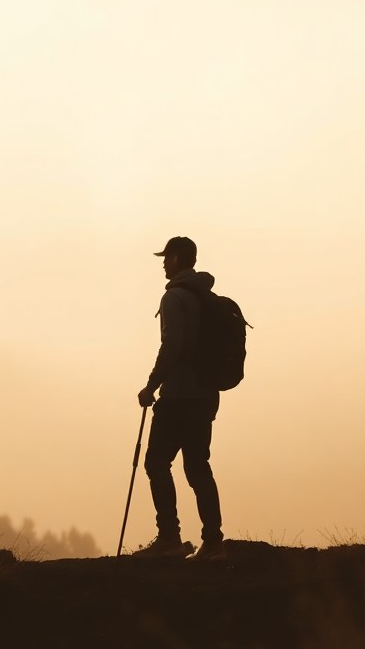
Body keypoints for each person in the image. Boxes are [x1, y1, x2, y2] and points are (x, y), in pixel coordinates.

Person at [134, 236, 225, 560]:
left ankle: (169, 538)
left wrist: (151, 386)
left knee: (156, 463)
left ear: (176, 259)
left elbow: (172, 346)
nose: (162, 263)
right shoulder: (205, 297)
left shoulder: (174, 298)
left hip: (178, 396)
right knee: (199, 467)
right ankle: (213, 542)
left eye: (166, 257)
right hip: (205, 396)